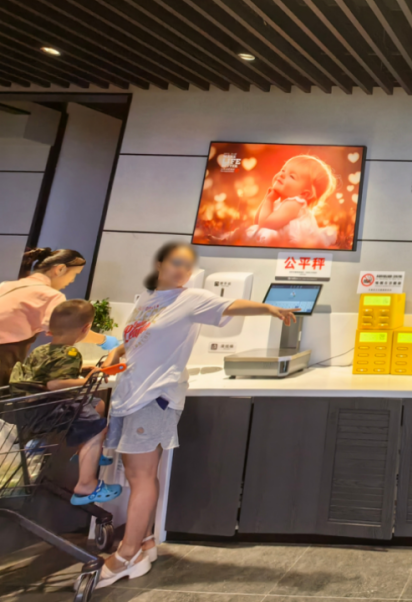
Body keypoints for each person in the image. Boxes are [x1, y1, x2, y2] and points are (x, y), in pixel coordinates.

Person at [95, 242, 299, 588]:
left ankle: (126, 555)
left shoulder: (191, 298)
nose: (181, 270)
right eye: (175, 262)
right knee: (138, 474)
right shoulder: (149, 299)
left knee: (141, 476)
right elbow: (138, 338)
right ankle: (145, 544)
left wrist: (268, 308)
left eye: (187, 266)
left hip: (155, 396)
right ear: (160, 263)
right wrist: (116, 352)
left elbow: (231, 304)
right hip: (130, 394)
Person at [8, 299, 122, 505]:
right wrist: (85, 381)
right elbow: (54, 384)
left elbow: (45, 374)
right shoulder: (71, 353)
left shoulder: (40, 350)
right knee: (96, 429)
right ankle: (86, 485)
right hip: (51, 409)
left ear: (50, 330)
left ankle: (84, 453)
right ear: (86, 329)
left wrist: (81, 371)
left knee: (97, 405)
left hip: (33, 409)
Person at [0, 248, 120, 385]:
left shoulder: (6, 285)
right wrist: (105, 341)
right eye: (75, 274)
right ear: (60, 269)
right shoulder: (51, 296)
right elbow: (71, 330)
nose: (72, 280)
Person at [244, 155, 337, 248]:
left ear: (304, 194)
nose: (282, 175)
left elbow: (264, 224)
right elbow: (257, 221)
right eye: (283, 170)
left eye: (292, 176)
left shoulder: (294, 204)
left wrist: (269, 200)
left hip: (294, 243)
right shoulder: (280, 201)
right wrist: (267, 199)